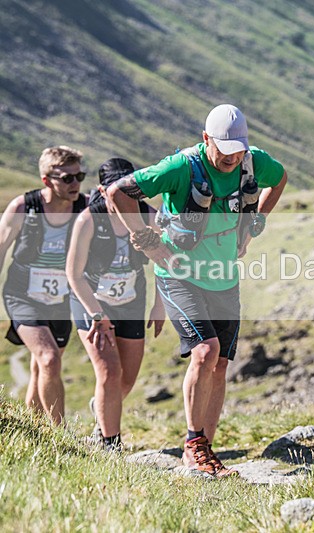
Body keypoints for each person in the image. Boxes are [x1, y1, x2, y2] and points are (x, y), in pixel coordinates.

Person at [107, 104, 287, 477]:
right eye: (223, 150)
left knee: (220, 365)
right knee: (205, 351)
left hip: (223, 276)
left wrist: (256, 223)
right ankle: (193, 445)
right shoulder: (179, 168)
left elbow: (281, 178)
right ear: (206, 139)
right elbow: (118, 193)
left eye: (237, 150)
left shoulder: (253, 162)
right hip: (178, 274)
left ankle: (206, 451)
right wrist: (147, 242)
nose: (232, 158)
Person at [66, 158, 165, 451]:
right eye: (114, 192)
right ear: (102, 190)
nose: (123, 199)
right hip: (90, 302)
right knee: (108, 372)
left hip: (131, 302)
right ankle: (110, 444)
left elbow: (166, 263)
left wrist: (160, 306)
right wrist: (97, 313)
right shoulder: (88, 220)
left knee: (126, 379)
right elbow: (73, 273)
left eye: (130, 192)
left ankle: (102, 408)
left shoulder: (149, 215)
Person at [0, 146, 88, 424]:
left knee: (42, 368)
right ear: (47, 180)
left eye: (79, 176)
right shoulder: (24, 207)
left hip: (61, 299)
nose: (75, 184)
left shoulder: (84, 207)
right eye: (67, 178)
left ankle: (34, 431)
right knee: (49, 358)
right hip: (22, 295)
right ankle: (60, 436)